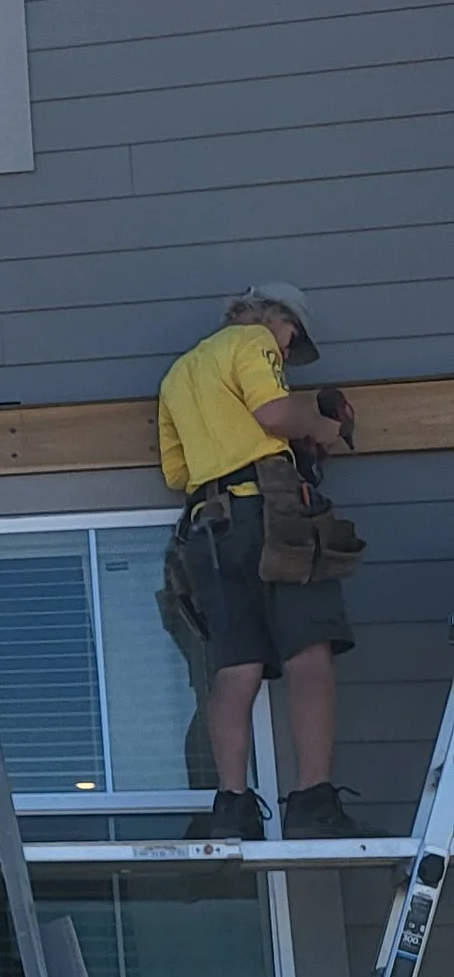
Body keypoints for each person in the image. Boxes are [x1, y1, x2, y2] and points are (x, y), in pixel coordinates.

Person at [157, 275, 358, 840]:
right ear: (272, 316)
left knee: (235, 668)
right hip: (271, 517)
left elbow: (177, 472)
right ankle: (314, 804)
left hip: (210, 530)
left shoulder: (179, 374)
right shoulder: (252, 343)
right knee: (308, 653)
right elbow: (272, 415)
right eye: (292, 336)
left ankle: (233, 807)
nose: (288, 351)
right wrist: (321, 427)